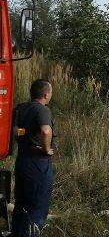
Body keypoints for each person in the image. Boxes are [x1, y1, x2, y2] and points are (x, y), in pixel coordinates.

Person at [11, 79, 55, 237]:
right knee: (37, 208)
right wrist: (46, 149)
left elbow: (16, 131)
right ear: (45, 94)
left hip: (22, 160)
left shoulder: (20, 108)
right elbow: (45, 131)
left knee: (21, 205)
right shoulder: (42, 110)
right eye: (50, 93)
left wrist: (26, 137)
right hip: (38, 163)